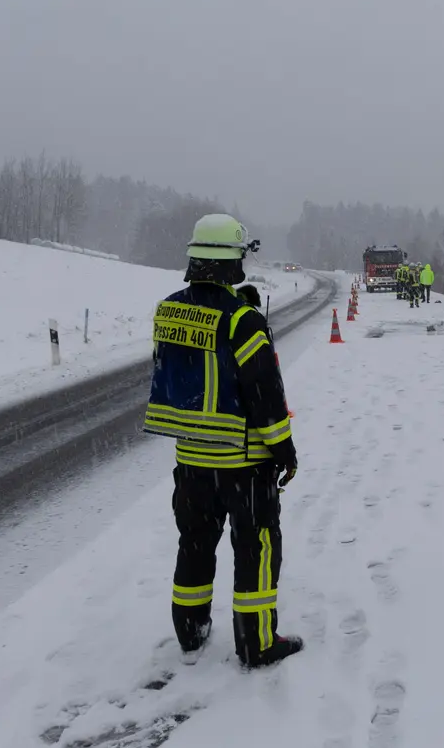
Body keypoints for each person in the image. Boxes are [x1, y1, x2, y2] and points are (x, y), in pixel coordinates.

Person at [142, 213, 303, 669]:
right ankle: (257, 645)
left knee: (195, 543)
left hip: (190, 461)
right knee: (255, 550)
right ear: (233, 260)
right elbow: (264, 394)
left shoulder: (168, 309)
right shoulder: (243, 321)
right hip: (245, 465)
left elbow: (187, 369)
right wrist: (285, 451)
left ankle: (190, 632)